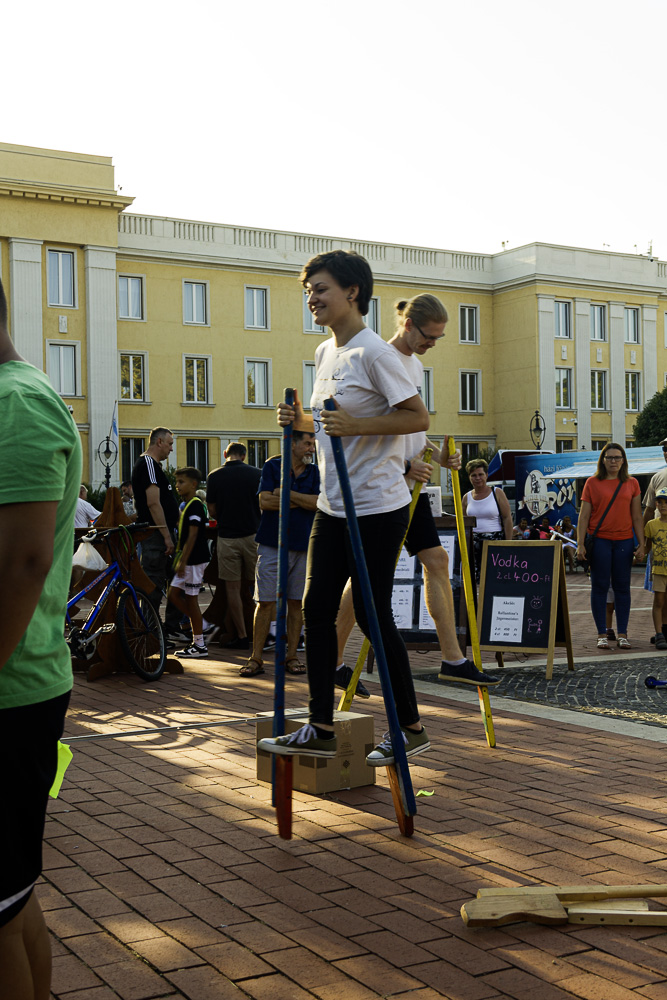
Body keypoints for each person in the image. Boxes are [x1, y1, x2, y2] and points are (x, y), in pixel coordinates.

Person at [258, 249, 430, 765]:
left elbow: (417, 417)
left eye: (321, 289)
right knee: (315, 610)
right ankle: (320, 726)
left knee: (374, 616)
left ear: (352, 292)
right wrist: (299, 421)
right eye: (308, 291)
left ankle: (411, 727)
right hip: (333, 505)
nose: (311, 298)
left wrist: (356, 426)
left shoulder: (374, 353)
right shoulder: (324, 352)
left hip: (376, 505)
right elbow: (328, 423)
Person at [335, 293, 499, 689]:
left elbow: (409, 425)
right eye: (428, 335)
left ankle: (452, 658)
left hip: (410, 487)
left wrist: (437, 456)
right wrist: (404, 464)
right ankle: (332, 658)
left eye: (439, 338)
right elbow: (365, 427)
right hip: (384, 485)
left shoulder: (414, 363)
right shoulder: (380, 358)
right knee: (365, 577)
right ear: (408, 325)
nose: (432, 343)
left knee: (437, 560)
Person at [0, 275, 81, 999]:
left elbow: (21, 564)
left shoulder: (15, 403)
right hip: (19, 688)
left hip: (10, 692)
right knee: (11, 897)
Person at [243, 430, 319, 677]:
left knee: (296, 603)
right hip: (272, 545)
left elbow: (318, 503)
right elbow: (264, 502)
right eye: (307, 443)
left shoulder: (315, 472)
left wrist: (284, 494)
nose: (312, 448)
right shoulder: (272, 466)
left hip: (303, 547)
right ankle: (256, 658)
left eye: (313, 444)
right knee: (266, 603)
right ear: (292, 444)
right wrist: (302, 501)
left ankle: (292, 656)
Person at [576, 442, 644, 650]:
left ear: (623, 460)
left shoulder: (632, 483)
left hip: (624, 540)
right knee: (600, 587)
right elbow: (584, 516)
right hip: (600, 541)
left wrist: (642, 544)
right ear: (603, 460)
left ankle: (622, 633)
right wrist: (580, 544)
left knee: (623, 588)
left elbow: (636, 517)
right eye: (609, 457)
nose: (613, 461)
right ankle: (601, 634)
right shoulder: (592, 483)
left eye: (617, 457)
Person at [206, 443, 262, 649]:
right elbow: (263, 504)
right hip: (253, 536)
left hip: (227, 537)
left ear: (225, 454)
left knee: (232, 588)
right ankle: (266, 633)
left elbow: (212, 510)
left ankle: (242, 636)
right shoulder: (257, 474)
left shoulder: (214, 476)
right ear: (244, 456)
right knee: (260, 586)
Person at [131, 427, 180, 636]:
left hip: (157, 533)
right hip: (156, 535)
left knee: (174, 579)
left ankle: (165, 628)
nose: (171, 449)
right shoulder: (149, 464)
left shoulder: (150, 465)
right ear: (159, 442)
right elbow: (153, 503)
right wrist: (166, 535)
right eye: (169, 444)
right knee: (155, 582)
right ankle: (150, 631)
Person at [167, 467, 212, 658]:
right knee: (173, 594)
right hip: (188, 559)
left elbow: (193, 535)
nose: (177, 485)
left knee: (191, 599)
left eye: (181, 482)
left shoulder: (195, 505)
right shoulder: (187, 505)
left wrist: (184, 560)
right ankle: (201, 624)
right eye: (177, 482)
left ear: (193, 484)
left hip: (194, 560)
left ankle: (199, 643)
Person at [462, 459, 513, 580]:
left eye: (480, 474)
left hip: (494, 540)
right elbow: (463, 523)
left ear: (486, 475)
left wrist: (509, 543)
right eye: (474, 475)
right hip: (473, 542)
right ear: (469, 477)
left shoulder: (497, 493)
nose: (477, 478)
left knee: (494, 577)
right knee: (475, 578)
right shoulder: (466, 497)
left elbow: (507, 518)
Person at [644, 487, 667, 649]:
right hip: (659, 570)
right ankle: (659, 634)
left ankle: (664, 631)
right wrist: (637, 555)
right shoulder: (651, 525)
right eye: (660, 502)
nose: (663, 505)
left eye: (666, 502)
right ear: (656, 505)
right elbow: (647, 547)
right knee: (659, 601)